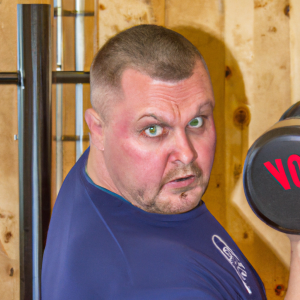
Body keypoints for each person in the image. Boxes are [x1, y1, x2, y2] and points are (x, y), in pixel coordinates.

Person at [41, 25, 300, 299]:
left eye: (196, 121)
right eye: (153, 129)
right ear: (98, 130)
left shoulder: (105, 176)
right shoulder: (161, 287)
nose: (186, 154)